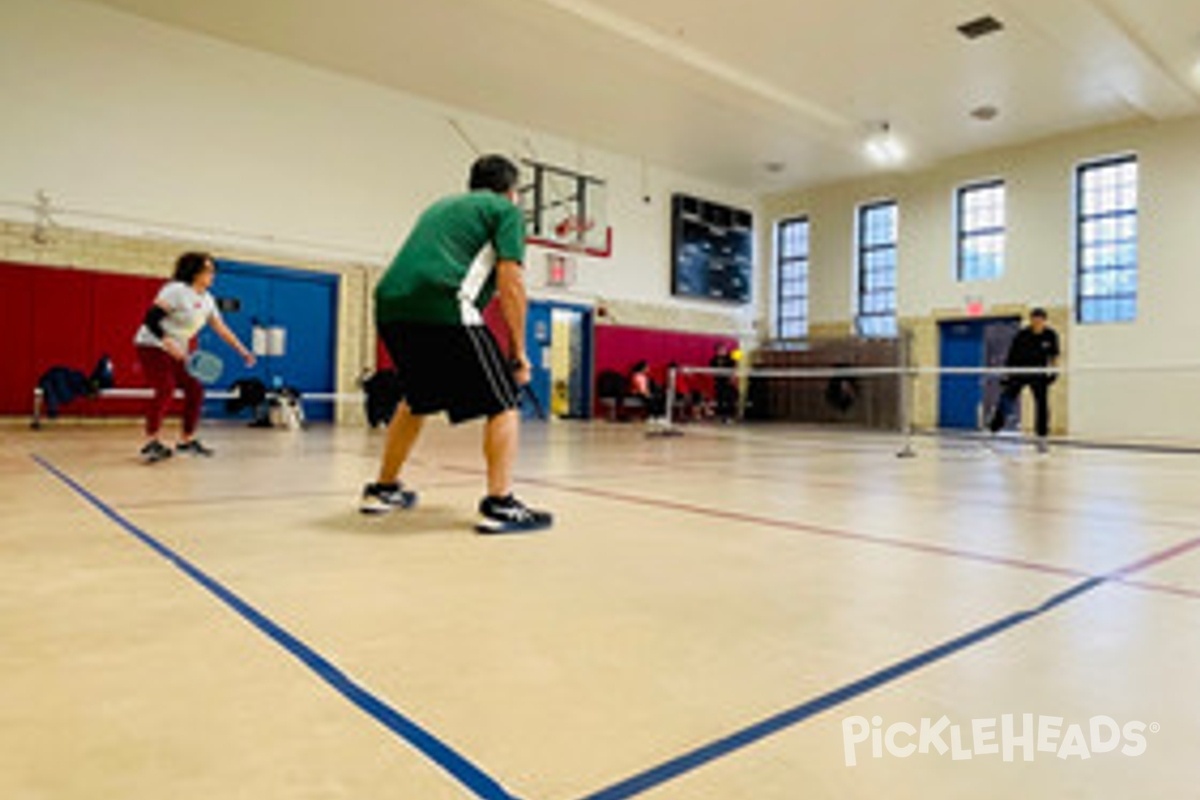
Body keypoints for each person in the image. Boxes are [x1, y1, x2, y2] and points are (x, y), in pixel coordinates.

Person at [361, 154, 552, 534]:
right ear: (512, 192)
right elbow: (511, 283)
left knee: (415, 399)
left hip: (390, 305)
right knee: (504, 402)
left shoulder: (441, 206)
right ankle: (500, 503)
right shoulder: (505, 211)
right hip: (445, 304)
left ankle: (382, 489)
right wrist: (518, 353)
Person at [133, 252, 256, 463]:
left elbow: (221, 328)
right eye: (207, 270)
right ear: (194, 271)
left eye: (213, 270)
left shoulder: (208, 300)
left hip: (179, 350)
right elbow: (151, 318)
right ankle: (150, 442)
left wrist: (242, 350)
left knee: (195, 390)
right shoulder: (176, 290)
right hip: (152, 343)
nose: (212, 274)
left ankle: (186, 441)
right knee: (165, 387)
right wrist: (166, 341)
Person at [988, 308, 1060, 453]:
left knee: (1042, 404)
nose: (1037, 322)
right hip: (1019, 372)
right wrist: (1008, 374)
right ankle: (994, 429)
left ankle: (1042, 436)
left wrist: (1054, 371)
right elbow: (1011, 355)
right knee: (1007, 399)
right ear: (1031, 320)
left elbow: (1054, 355)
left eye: (1040, 319)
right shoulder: (1022, 335)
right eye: (1034, 319)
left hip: (1038, 374)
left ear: (1044, 320)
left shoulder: (1050, 335)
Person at [710, 344, 737, 422]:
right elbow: (712, 371)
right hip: (719, 383)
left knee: (730, 398)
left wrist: (732, 378)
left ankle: (730, 416)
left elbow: (734, 369)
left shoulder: (730, 358)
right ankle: (722, 416)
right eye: (720, 350)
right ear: (716, 351)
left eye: (723, 350)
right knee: (721, 399)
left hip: (728, 382)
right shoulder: (713, 360)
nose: (722, 351)